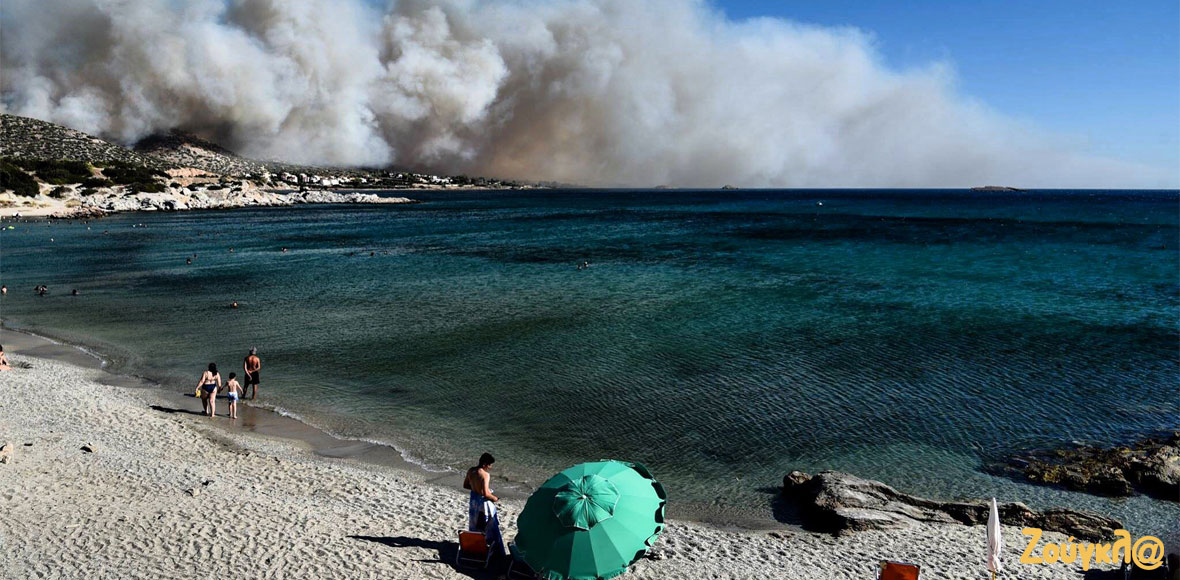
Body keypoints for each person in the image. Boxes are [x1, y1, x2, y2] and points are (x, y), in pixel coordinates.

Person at [464, 453, 504, 558]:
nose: (491, 467)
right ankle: (492, 549)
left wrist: (475, 489)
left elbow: (465, 485)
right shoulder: (485, 475)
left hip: (473, 502)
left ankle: (475, 545)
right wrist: (495, 498)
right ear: (485, 464)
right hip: (483, 503)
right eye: (490, 465)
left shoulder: (471, 470)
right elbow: (486, 494)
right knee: (489, 525)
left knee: (474, 524)